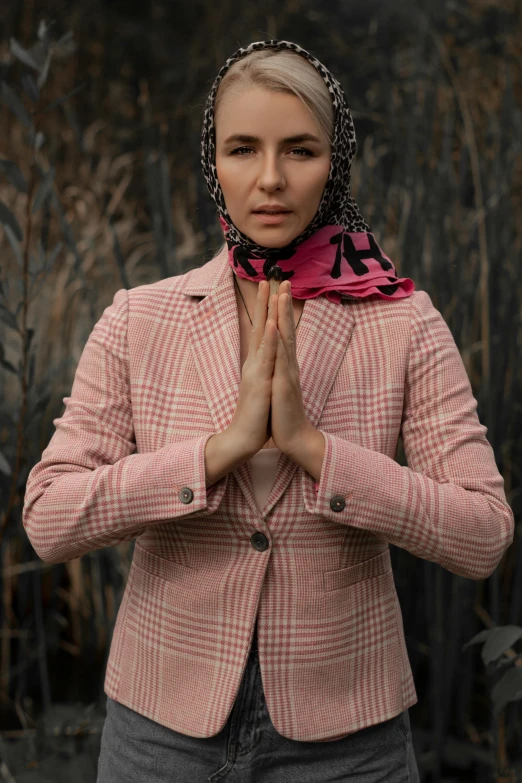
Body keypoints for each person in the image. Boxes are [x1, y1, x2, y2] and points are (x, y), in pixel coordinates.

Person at [22, 39, 514, 783]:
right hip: (161, 733)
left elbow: (484, 534)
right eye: (244, 149)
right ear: (212, 162)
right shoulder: (138, 318)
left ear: (337, 159)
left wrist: (317, 451)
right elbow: (49, 517)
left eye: (302, 149)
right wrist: (216, 452)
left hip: (349, 740)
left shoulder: (405, 321)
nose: (272, 179)